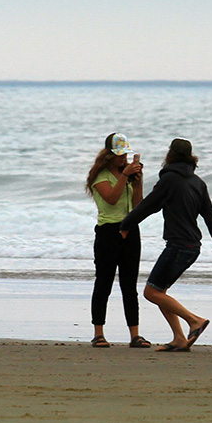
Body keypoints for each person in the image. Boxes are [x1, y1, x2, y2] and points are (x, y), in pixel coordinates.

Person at [119, 138, 212, 352]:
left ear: (169, 155)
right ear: (190, 157)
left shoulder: (169, 180)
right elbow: (210, 217)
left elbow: (149, 206)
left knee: (151, 293)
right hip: (192, 247)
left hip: (178, 246)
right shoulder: (198, 182)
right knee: (160, 291)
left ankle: (194, 321)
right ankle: (179, 338)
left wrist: (126, 225)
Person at [85, 133, 149, 348]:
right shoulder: (100, 176)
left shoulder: (127, 175)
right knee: (104, 282)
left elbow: (137, 205)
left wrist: (137, 182)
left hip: (130, 230)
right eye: (120, 155)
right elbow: (111, 199)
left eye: (126, 155)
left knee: (129, 285)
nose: (124, 159)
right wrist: (124, 176)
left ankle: (135, 334)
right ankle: (98, 332)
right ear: (110, 155)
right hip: (108, 232)